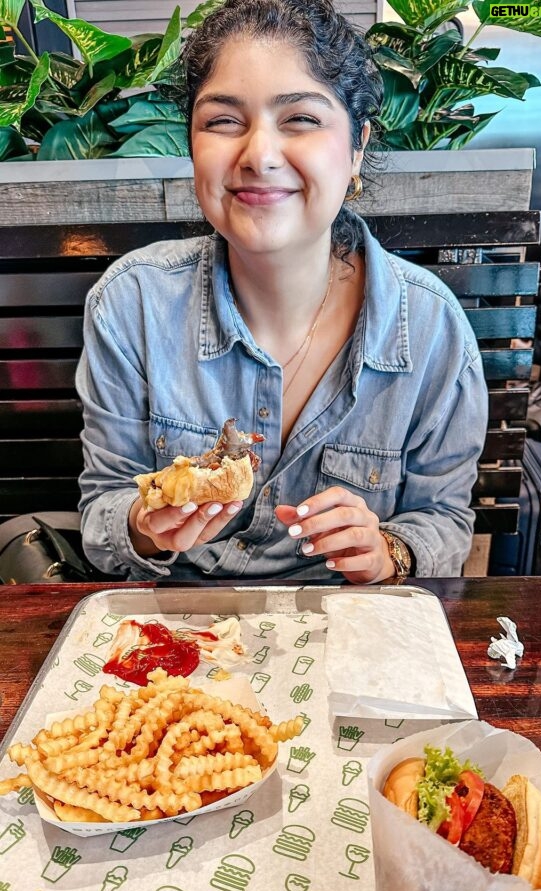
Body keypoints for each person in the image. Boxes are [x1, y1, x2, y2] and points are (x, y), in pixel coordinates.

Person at [76, 0, 488, 584]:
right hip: (182, 643)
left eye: (300, 119)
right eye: (223, 121)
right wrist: (145, 522)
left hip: (350, 634)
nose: (259, 155)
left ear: (357, 148)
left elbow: (445, 520)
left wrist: (389, 551)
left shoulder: (430, 327)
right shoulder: (131, 303)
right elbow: (102, 511)